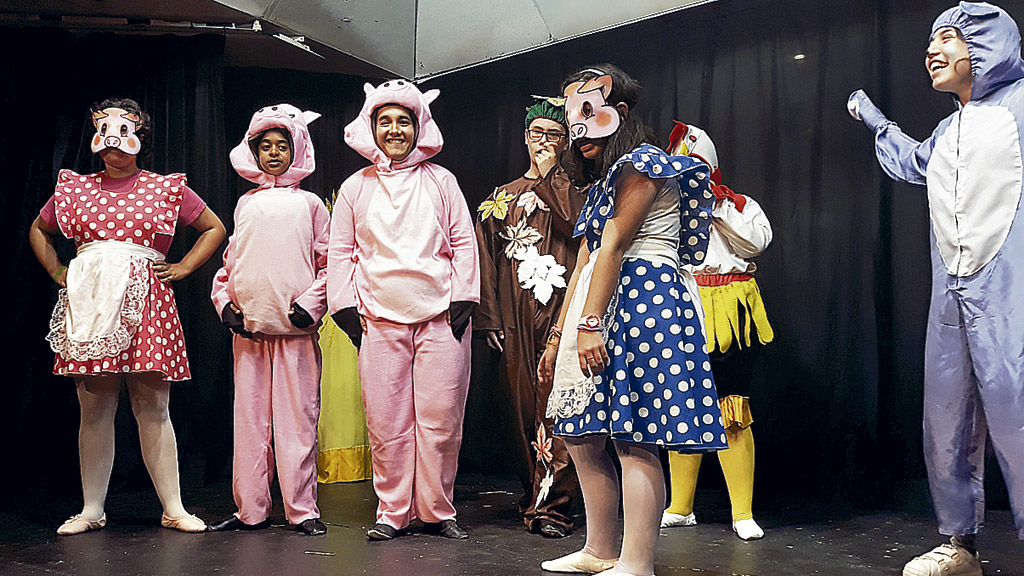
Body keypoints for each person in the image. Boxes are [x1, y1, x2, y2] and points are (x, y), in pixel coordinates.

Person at [848, 2, 1024, 575]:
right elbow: (912, 160)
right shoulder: (948, 130)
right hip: (951, 296)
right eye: (931, 40)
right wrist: (878, 124)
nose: (932, 50)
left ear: (987, 44)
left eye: (948, 37)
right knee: (947, 415)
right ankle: (960, 545)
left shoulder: (1019, 108)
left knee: (1018, 409)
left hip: (1009, 292)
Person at [538, 65, 728, 576]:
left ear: (619, 112)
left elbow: (617, 246)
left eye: (586, 114)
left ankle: (636, 560)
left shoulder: (644, 164)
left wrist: (592, 322)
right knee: (579, 431)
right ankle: (599, 548)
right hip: (596, 301)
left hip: (643, 297)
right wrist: (560, 334)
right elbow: (586, 257)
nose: (577, 132)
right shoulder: (603, 182)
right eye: (568, 118)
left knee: (633, 432)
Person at [28, 97, 225, 535]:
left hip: (146, 300)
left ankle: (173, 507)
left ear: (141, 138)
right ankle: (92, 509)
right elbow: (39, 230)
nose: (113, 143)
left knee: (152, 405)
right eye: (104, 131)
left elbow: (214, 227)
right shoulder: (75, 189)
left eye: (123, 131)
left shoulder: (165, 187)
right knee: (94, 407)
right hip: (93, 302)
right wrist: (60, 271)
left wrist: (184, 266)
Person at [327, 79, 480, 541]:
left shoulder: (442, 180)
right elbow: (339, 251)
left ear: (419, 126)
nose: (394, 130)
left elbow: (463, 241)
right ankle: (391, 511)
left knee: (440, 419)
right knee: (387, 420)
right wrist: (344, 307)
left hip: (440, 319)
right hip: (378, 318)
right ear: (371, 128)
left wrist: (464, 297)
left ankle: (437, 510)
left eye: (403, 122)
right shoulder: (356, 187)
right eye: (385, 122)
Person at [208, 104, 329, 536]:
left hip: (295, 333)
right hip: (251, 334)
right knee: (250, 423)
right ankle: (251, 510)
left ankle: (303, 509)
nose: (274, 153)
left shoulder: (310, 204)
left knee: (298, 421)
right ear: (253, 151)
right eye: (266, 146)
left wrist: (311, 304)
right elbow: (229, 266)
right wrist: (225, 305)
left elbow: (329, 261)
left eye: (282, 146)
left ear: (296, 151)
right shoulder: (245, 204)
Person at [474, 96, 584, 539]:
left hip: (563, 315)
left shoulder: (578, 192)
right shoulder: (499, 200)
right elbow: (482, 260)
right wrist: (489, 319)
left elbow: (577, 228)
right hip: (514, 320)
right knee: (520, 413)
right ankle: (534, 493)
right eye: (537, 134)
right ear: (524, 136)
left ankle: (556, 508)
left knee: (559, 410)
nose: (544, 142)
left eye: (555, 136)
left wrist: (551, 176)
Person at [660, 123, 774, 541]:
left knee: (732, 411)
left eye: (696, 167)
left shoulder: (740, 206)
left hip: (731, 307)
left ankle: (741, 512)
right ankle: (680, 506)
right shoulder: (664, 210)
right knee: (680, 407)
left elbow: (756, 244)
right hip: (684, 306)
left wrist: (715, 207)